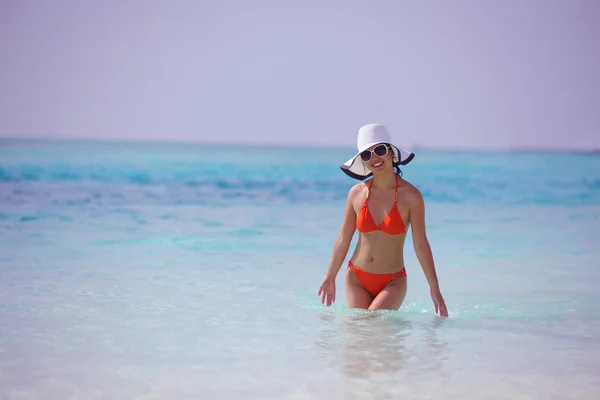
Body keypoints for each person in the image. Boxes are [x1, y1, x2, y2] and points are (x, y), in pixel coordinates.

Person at [317, 123, 448, 316]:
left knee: (373, 325)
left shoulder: (411, 196)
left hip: (392, 281)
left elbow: (421, 244)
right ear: (362, 161)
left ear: (391, 153)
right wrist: (330, 277)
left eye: (379, 150)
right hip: (356, 278)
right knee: (361, 335)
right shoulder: (356, 194)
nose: (374, 158)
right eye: (367, 154)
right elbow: (343, 239)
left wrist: (434, 288)